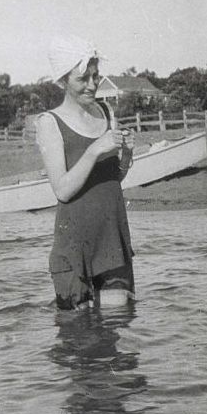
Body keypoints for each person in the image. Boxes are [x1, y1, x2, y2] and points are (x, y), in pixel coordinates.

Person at [37, 35, 135, 311]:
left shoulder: (106, 111)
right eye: (83, 79)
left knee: (117, 333)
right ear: (63, 81)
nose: (93, 85)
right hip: (73, 246)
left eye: (96, 76)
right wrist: (94, 150)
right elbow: (63, 190)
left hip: (112, 240)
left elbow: (112, 180)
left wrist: (126, 155)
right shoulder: (49, 122)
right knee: (77, 340)